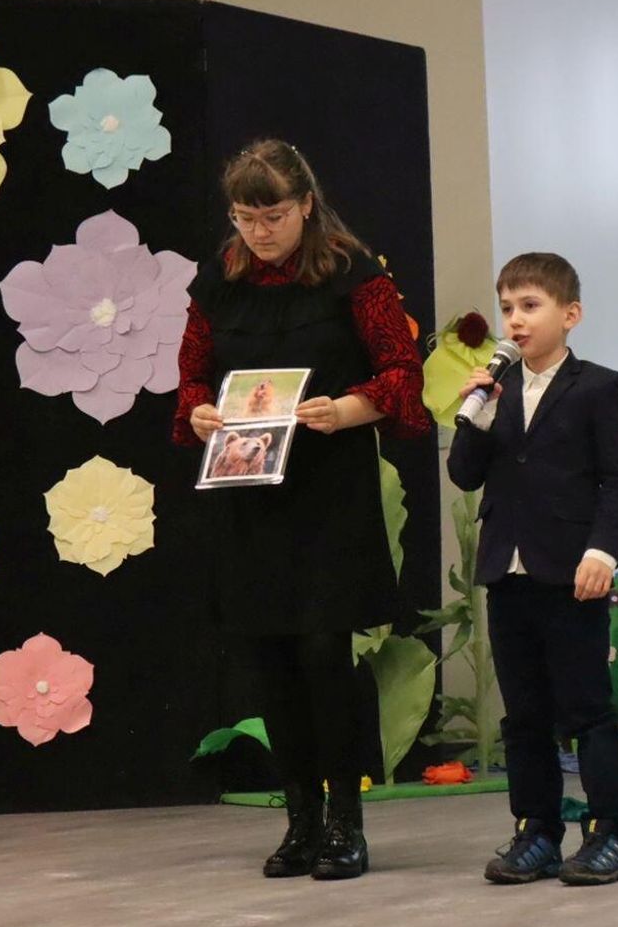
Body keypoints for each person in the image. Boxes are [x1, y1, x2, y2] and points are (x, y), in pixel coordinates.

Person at [173, 138, 429, 880]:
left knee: (323, 655)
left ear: (306, 205)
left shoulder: (354, 274)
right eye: (245, 217)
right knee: (270, 659)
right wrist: (198, 414)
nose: (259, 232)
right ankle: (300, 823)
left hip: (328, 493)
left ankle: (346, 820)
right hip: (249, 497)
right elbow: (192, 379)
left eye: (274, 216)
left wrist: (346, 411)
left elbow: (401, 372)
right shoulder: (218, 280)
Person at [446, 252, 618, 886]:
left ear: (570, 314)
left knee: (587, 708)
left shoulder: (599, 387)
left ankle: (611, 833)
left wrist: (602, 552)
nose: (516, 321)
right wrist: (476, 415)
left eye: (530, 306)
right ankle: (537, 831)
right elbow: (464, 474)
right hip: (508, 571)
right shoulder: (497, 391)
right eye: (507, 308)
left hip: (571, 571)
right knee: (524, 713)